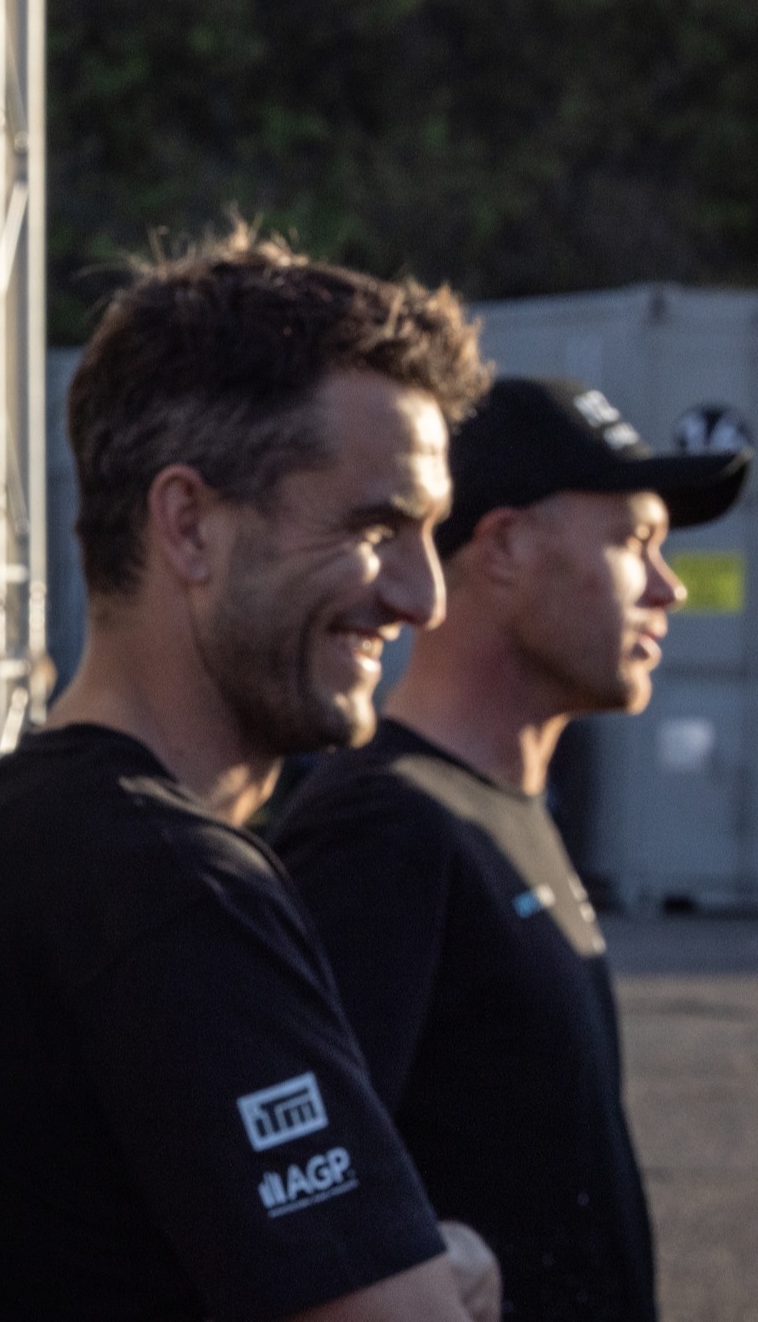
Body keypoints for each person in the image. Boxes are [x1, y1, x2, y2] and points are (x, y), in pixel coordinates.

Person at [0, 229, 504, 1321]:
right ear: (189, 524)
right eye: (378, 525)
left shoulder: (45, 832)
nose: (423, 597)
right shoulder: (168, 884)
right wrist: (460, 1277)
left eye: (432, 534)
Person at [268, 376, 750, 1322]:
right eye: (633, 543)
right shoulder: (385, 830)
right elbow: (302, 1220)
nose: (669, 587)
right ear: (505, 548)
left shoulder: (501, 811)